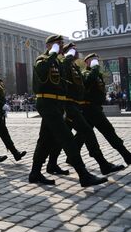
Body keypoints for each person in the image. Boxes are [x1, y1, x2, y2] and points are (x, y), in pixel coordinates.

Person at [28, 34, 106, 187]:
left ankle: (35, 173)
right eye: (58, 43)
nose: (61, 46)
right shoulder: (42, 59)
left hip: (57, 104)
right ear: (49, 45)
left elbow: (64, 84)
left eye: (61, 44)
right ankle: (83, 175)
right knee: (67, 137)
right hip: (47, 102)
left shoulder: (58, 62)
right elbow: (43, 71)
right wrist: (52, 53)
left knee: (44, 140)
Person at [82, 53, 131, 165]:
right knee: (108, 131)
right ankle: (126, 155)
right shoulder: (85, 73)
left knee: (83, 135)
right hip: (90, 109)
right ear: (86, 62)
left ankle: (71, 158)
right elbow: (87, 81)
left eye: (96, 60)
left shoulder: (96, 74)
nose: (96, 62)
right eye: (93, 60)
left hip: (95, 108)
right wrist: (94, 68)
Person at [0, 62, 26, 161]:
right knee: (3, 132)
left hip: (0, 110)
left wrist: (4, 104)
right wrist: (2, 105)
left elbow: (2, 95)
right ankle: (15, 153)